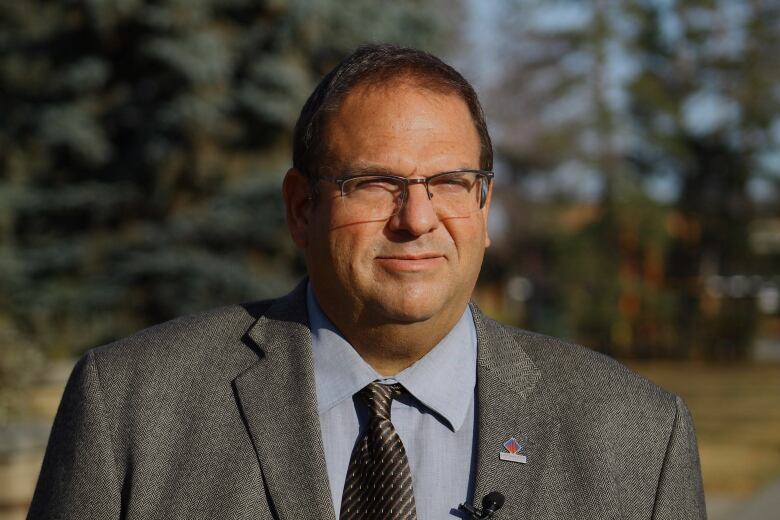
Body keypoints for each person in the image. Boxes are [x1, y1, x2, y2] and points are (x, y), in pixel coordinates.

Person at [28, 44, 706, 519]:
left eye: (449, 182)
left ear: (483, 208)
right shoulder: (132, 409)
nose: (416, 219)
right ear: (301, 208)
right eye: (374, 183)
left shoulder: (637, 437)